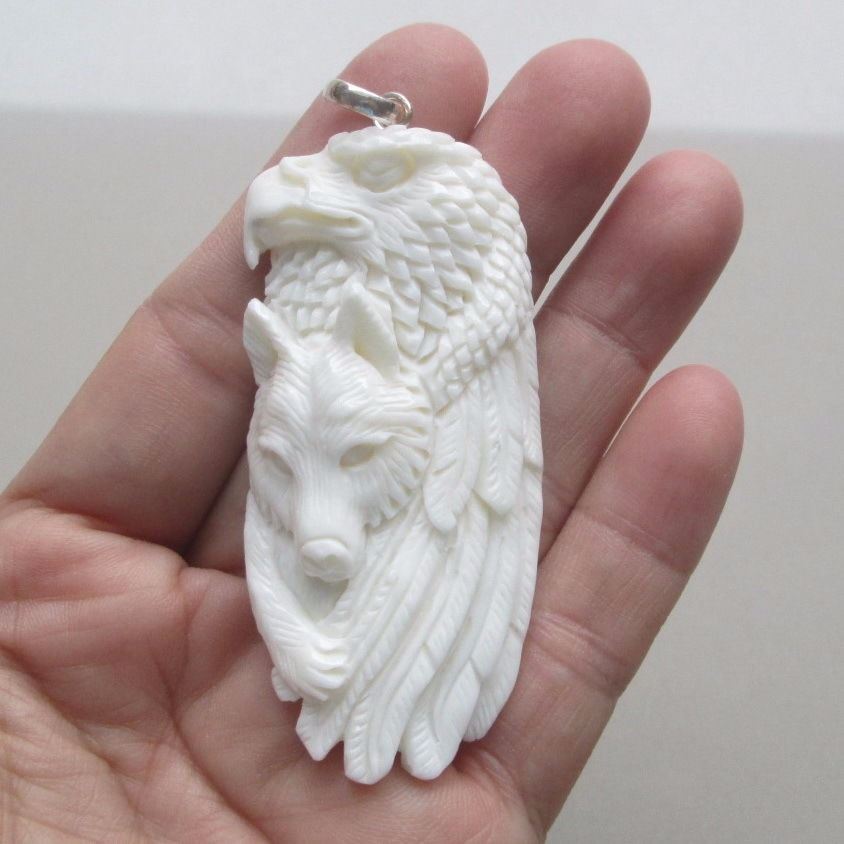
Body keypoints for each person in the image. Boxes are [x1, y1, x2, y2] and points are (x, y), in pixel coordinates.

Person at [0, 23, 743, 842]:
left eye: (373, 180)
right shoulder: (297, 386)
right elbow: (273, 532)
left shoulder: (448, 339)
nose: (292, 191)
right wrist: (292, 633)